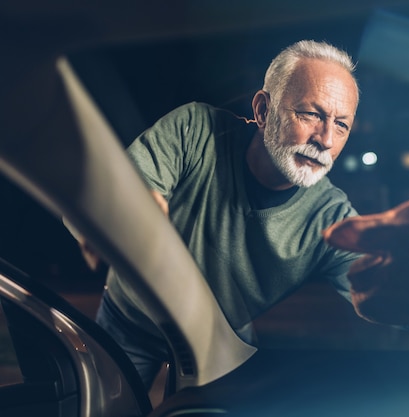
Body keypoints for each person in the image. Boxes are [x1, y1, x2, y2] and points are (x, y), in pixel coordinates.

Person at [80, 40, 363, 391]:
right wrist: (125, 208)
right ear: (263, 110)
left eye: (341, 125)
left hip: (219, 342)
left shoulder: (332, 216)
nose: (325, 140)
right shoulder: (195, 129)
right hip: (130, 318)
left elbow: (382, 282)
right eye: (311, 114)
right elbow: (126, 186)